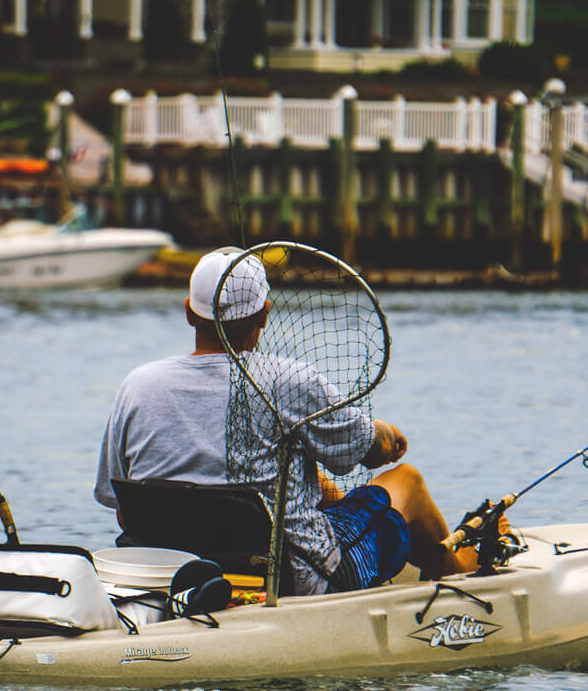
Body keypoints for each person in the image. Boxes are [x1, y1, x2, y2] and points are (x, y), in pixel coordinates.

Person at [94, 247, 495, 596]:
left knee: (316, 485)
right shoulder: (287, 380)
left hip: (167, 576)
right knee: (407, 482)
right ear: (265, 314)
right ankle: (463, 581)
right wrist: (390, 437)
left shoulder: (137, 385)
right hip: (290, 580)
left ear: (188, 312)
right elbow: (373, 454)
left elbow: (122, 509)